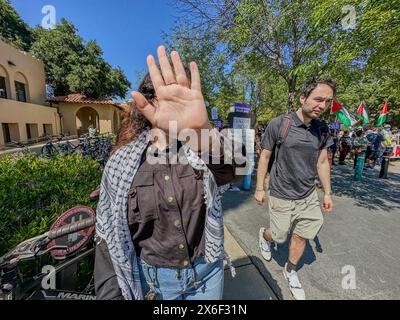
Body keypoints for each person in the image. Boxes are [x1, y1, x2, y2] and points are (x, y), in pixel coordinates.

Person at [94, 46, 242, 300]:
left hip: (207, 276)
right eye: (170, 95)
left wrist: (200, 131)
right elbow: (108, 232)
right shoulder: (122, 161)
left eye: (184, 95)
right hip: (152, 286)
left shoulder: (201, 147)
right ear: (149, 102)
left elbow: (236, 169)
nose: (178, 102)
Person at [254, 77, 334, 300]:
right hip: (281, 193)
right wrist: (260, 187)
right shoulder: (279, 124)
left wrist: (327, 192)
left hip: (308, 194)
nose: (322, 106)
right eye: (318, 99)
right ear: (302, 98)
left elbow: (322, 162)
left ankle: (291, 270)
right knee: (279, 236)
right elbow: (265, 156)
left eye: (327, 101)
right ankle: (265, 235)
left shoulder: (322, 129)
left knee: (301, 236)